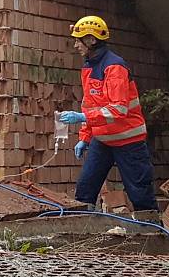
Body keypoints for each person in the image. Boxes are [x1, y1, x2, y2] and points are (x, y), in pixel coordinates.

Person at [59, 16, 157, 211]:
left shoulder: (115, 66)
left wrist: (82, 118)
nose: (75, 45)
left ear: (92, 40)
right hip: (103, 140)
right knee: (85, 189)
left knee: (140, 194)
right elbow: (90, 104)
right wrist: (85, 137)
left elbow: (118, 109)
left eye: (79, 40)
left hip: (129, 141)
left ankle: (152, 233)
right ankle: (83, 234)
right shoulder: (88, 67)